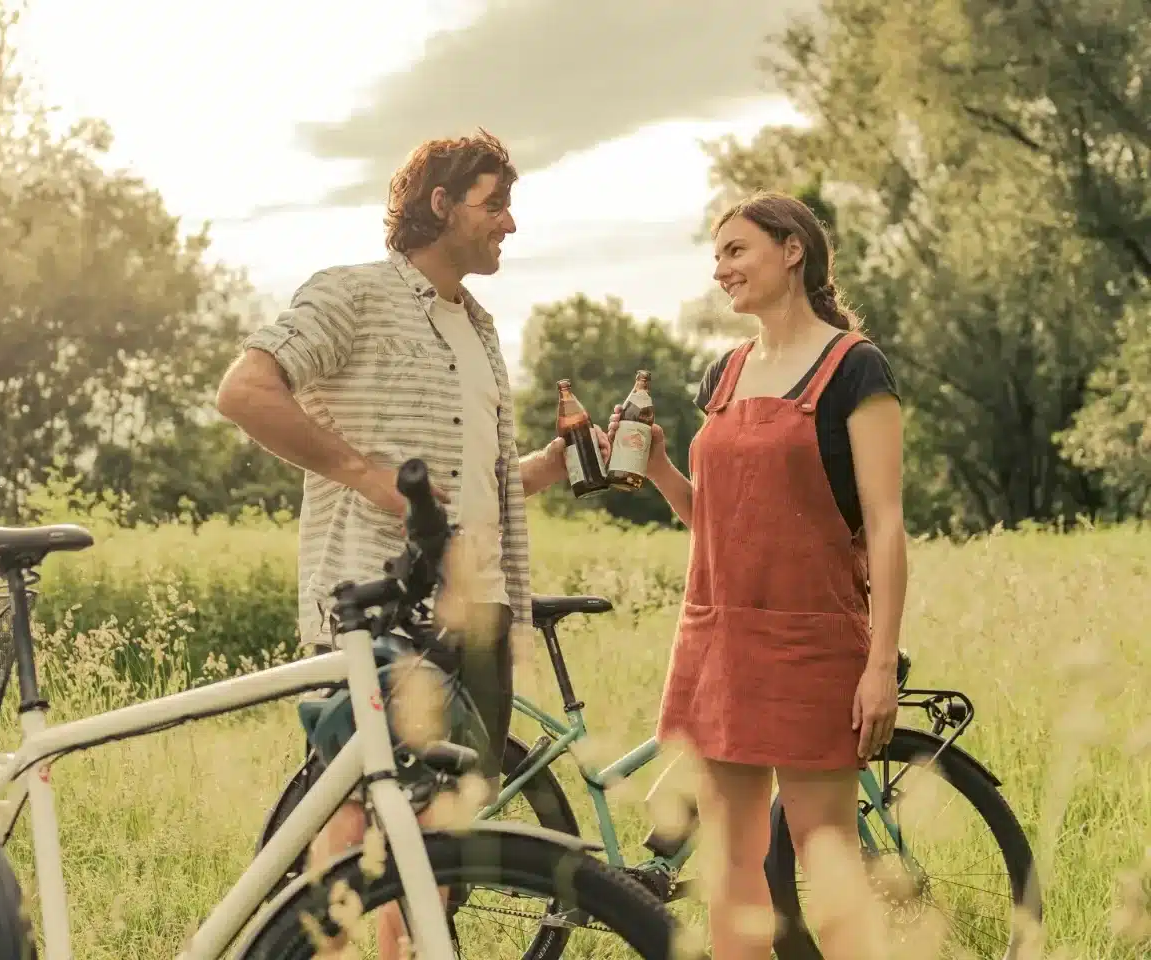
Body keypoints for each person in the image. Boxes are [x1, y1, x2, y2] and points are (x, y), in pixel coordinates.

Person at [215, 128, 607, 958]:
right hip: (380, 604)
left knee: (445, 847)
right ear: (439, 204)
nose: (509, 224)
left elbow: (476, 482)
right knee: (370, 827)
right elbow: (245, 391)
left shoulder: (482, 325)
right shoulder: (352, 295)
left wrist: (548, 464)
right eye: (494, 204)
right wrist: (363, 472)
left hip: (485, 611)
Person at [608, 190, 907, 960]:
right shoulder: (725, 372)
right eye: (717, 257)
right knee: (731, 863)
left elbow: (885, 525)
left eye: (737, 250)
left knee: (825, 855)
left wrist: (880, 666)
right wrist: (666, 469)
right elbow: (718, 518)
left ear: (793, 250)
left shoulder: (854, 368)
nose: (722, 270)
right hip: (722, 639)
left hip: (812, 640)